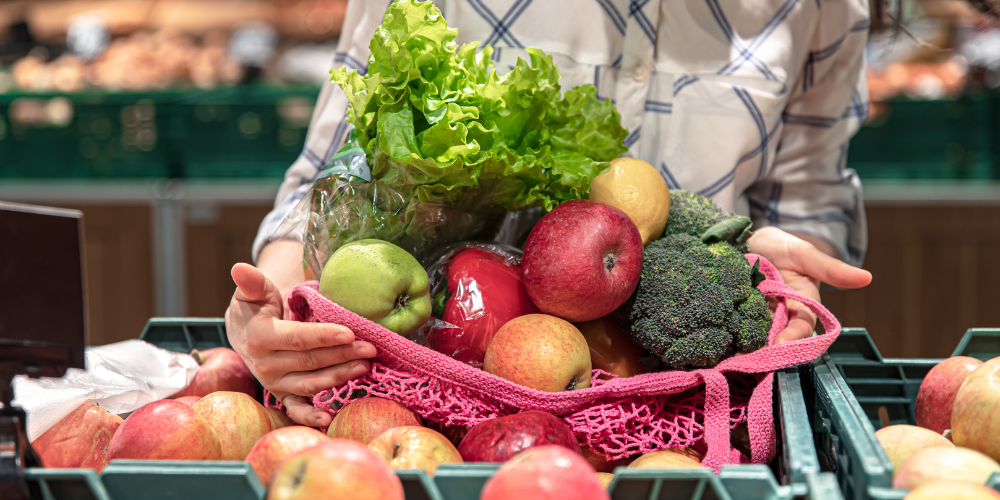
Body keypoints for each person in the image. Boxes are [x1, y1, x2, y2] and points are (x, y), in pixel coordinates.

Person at [227, 0, 878, 427]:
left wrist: (790, 278)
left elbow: (807, 202)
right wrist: (273, 307)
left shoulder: (820, 8)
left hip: (697, 409)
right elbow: (330, 177)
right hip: (430, 396)